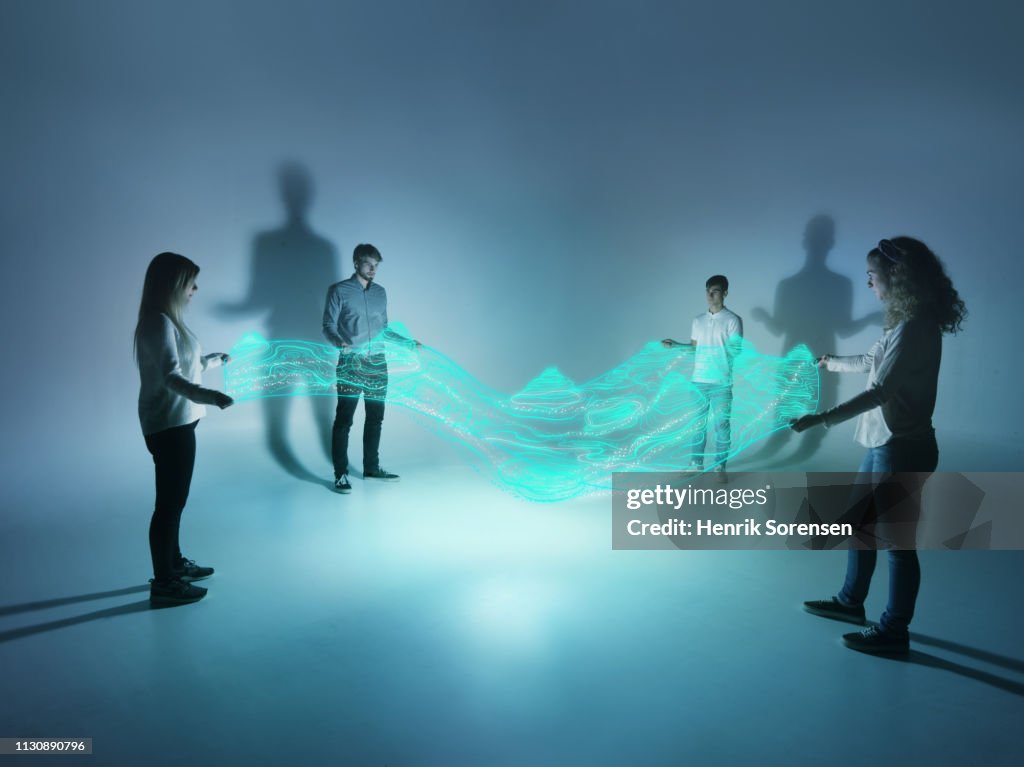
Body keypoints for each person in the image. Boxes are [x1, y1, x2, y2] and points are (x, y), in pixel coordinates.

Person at [791, 237, 966, 655]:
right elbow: (872, 362)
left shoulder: (914, 328)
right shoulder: (904, 323)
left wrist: (822, 418)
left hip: (902, 448)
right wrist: (831, 362)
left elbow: (881, 391)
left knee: (898, 546)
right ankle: (851, 603)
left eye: (872, 276)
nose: (868, 283)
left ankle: (894, 631)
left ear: (895, 277)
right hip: (885, 442)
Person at [134, 252, 234, 607]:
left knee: (175, 502)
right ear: (173, 284)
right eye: (190, 281)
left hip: (178, 421)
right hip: (168, 425)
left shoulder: (166, 322)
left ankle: (173, 564)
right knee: (170, 505)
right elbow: (171, 378)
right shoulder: (158, 322)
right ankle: (164, 583)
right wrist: (210, 397)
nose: (195, 288)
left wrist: (211, 361)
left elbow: (184, 368)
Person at [322, 244, 402, 493]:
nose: (373, 269)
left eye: (377, 265)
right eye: (369, 264)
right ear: (356, 262)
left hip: (378, 363)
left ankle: (371, 468)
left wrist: (407, 342)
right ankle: (340, 474)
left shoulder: (381, 293)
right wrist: (340, 343)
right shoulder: (339, 291)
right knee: (344, 420)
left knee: (375, 418)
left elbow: (385, 328)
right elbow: (328, 324)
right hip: (351, 362)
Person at [662, 274, 743, 481]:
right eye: (707, 290)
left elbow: (736, 351)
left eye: (714, 290)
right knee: (698, 425)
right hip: (698, 381)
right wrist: (676, 345)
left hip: (721, 383)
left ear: (725, 293)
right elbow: (694, 348)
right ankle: (695, 464)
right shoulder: (697, 320)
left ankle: (719, 467)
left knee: (721, 427)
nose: (709, 294)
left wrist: (719, 351)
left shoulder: (733, 320)